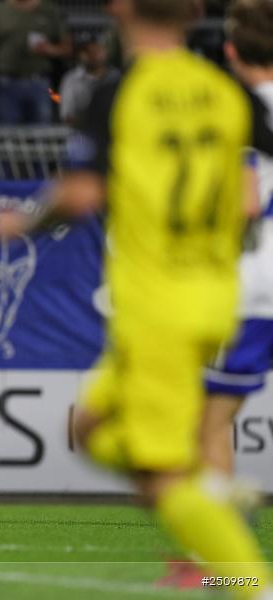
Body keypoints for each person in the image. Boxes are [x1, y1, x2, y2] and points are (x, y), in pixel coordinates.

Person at [0, 0, 273, 593]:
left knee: (160, 474)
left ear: (120, 9)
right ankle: (210, 492)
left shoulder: (122, 93)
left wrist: (23, 221)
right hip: (213, 298)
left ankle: (249, 583)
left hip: (156, 307)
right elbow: (249, 199)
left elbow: (80, 195)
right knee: (90, 429)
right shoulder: (227, 94)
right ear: (194, 13)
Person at [201, 0, 273, 495]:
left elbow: (246, 203)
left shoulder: (240, 109)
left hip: (256, 282)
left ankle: (221, 568)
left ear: (230, 50)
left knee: (210, 421)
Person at [0, 0, 71, 124]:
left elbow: (67, 48)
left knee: (42, 137)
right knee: (5, 137)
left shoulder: (49, 10)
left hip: (40, 84)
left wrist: (49, 49)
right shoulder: (0, 11)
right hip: (5, 85)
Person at [58, 33, 119, 125]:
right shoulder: (71, 79)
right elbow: (67, 115)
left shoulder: (116, 76)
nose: (91, 55)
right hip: (84, 132)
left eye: (97, 50)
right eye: (86, 52)